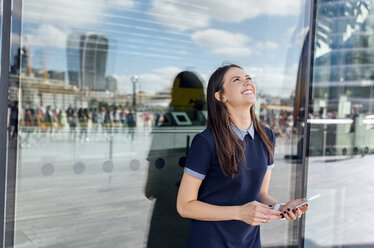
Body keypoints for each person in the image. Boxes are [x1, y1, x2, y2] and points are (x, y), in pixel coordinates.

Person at [176, 64, 309, 247]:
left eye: (248, 78)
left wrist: (281, 208)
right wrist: (239, 213)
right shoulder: (206, 142)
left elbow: (260, 193)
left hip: (250, 242)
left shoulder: (267, 136)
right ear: (220, 96)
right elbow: (184, 206)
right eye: (236, 80)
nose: (247, 82)